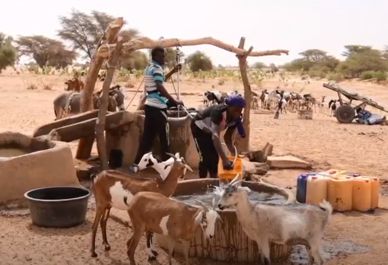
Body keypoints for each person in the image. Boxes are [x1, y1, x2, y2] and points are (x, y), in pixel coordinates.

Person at [130, 46, 183, 172]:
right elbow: (159, 86)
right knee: (165, 139)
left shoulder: (150, 68)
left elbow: (161, 80)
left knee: (147, 139)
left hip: (150, 107)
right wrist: (173, 101)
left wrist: (173, 71)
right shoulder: (157, 68)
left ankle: (135, 164)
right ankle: (168, 168)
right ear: (155, 57)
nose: (164, 58)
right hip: (159, 108)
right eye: (162, 56)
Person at [191, 94, 246, 178]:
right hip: (199, 128)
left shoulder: (236, 119)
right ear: (229, 107)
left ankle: (213, 181)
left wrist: (235, 155)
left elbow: (227, 138)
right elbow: (215, 135)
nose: (238, 112)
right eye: (236, 109)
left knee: (214, 158)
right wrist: (224, 159)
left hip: (211, 131)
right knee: (205, 157)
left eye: (240, 109)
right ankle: (202, 182)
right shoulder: (218, 112)